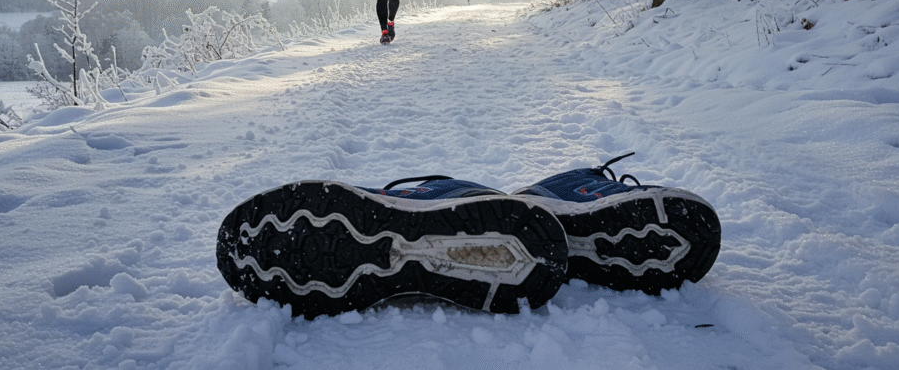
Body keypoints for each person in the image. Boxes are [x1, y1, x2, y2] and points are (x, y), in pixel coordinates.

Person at [216, 153, 721, 319]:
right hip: (527, 205)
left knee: (461, 192)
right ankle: (573, 194)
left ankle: (421, 201)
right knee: (490, 195)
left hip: (467, 203)